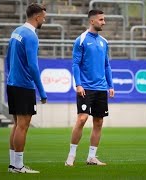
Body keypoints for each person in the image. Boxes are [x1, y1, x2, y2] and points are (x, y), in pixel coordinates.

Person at [65, 9, 115, 166]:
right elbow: (75, 64)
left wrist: (110, 85)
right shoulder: (81, 40)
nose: (103, 22)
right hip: (86, 88)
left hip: (101, 89)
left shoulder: (104, 42)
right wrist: (78, 84)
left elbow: (107, 65)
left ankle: (91, 157)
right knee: (82, 119)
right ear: (92, 21)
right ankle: (71, 155)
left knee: (98, 122)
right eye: (101, 19)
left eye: (104, 19)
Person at [5, 3, 47, 173]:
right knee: (23, 125)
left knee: (16, 125)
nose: (44, 20)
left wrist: (11, 76)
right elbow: (33, 66)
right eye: (44, 17)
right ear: (37, 17)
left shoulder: (16, 31)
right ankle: (18, 166)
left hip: (13, 83)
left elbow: (7, 58)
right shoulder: (31, 36)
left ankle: (12, 164)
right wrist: (42, 91)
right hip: (23, 86)